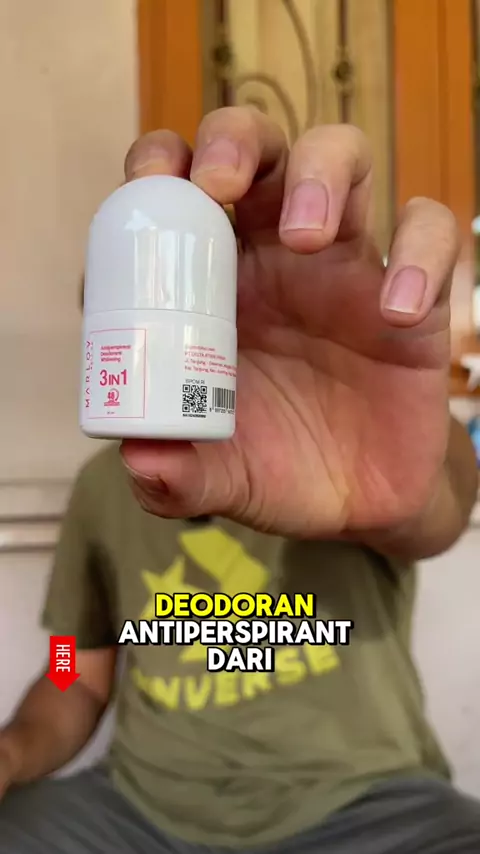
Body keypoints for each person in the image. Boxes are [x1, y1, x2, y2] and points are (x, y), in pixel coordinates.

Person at [0, 108, 479, 854]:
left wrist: (417, 471)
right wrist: (13, 751)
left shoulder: (337, 441)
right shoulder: (102, 488)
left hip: (368, 807)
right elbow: (74, 669)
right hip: (140, 817)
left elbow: (441, 507)